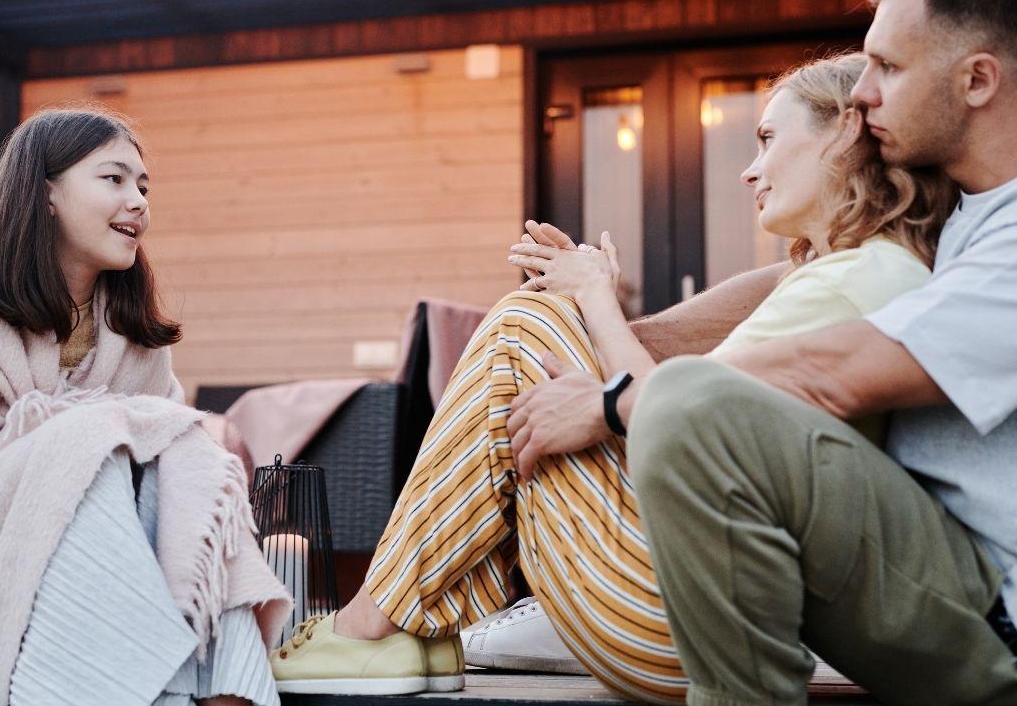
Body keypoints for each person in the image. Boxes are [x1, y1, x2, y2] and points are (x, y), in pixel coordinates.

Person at [268, 51, 956, 703]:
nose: (750, 170)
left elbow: (676, 423)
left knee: (518, 328)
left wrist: (596, 296)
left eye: (768, 138)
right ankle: (413, 630)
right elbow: (683, 382)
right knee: (534, 326)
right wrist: (582, 317)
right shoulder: (853, 271)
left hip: (682, 619)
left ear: (842, 137)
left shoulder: (853, 282)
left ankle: (376, 625)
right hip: (701, 603)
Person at [536, 0, 1017, 705]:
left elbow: (832, 374)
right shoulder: (963, 211)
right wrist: (632, 321)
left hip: (994, 616)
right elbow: (804, 272)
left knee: (691, 406)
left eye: (889, 67)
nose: (861, 93)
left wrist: (610, 399)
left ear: (978, 79)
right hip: (926, 565)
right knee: (533, 339)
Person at [0, 109, 290, 706]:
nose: (138, 202)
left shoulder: (131, 335)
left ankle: (227, 690)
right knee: (92, 441)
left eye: (144, 187)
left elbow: (165, 468)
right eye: (114, 179)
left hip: (103, 535)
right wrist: (73, 436)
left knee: (189, 459)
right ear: (45, 192)